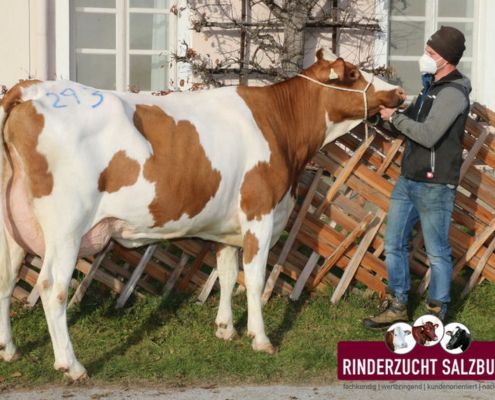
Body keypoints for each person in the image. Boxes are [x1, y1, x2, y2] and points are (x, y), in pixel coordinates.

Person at [363, 26, 471, 330]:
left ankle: (436, 311)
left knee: (437, 252)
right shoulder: (430, 88)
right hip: (408, 180)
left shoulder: (452, 92)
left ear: (447, 59)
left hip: (435, 185)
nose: (426, 57)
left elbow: (428, 134)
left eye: (431, 53)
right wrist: (388, 111)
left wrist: (395, 118)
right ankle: (398, 304)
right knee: (393, 243)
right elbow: (410, 123)